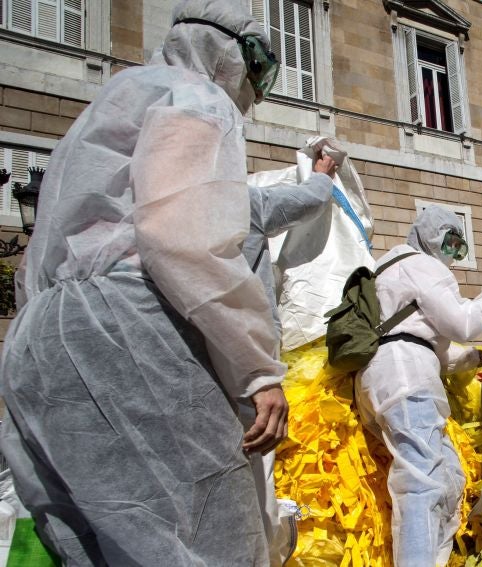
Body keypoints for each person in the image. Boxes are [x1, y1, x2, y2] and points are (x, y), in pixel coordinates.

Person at [0, 1, 286, 563]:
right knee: (206, 536)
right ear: (230, 54)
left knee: (86, 542)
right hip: (131, 330)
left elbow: (45, 248)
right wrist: (256, 369)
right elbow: (181, 238)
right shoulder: (199, 100)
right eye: (258, 69)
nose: (255, 89)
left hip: (41, 331)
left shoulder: (112, 100)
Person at [355, 205, 482, 566]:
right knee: (422, 483)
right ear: (433, 237)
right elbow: (463, 322)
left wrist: (476, 359)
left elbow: (433, 348)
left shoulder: (391, 269)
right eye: (452, 244)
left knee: (450, 476)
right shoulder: (423, 265)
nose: (454, 257)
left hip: (383, 378)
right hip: (404, 381)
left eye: (460, 249)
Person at [241, 148, 339, 563]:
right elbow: (307, 202)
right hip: (245, 371)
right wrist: (321, 175)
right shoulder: (236, 200)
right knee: (252, 483)